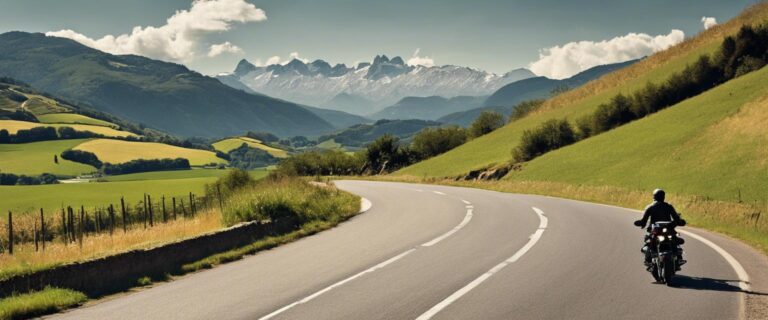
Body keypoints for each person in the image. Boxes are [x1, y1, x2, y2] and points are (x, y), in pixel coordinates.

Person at [634, 189, 687, 270]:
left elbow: (643, 220)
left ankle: (677, 258)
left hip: (661, 230)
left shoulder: (651, 207)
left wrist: (641, 223)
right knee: (650, 242)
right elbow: (676, 219)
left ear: (654, 197)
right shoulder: (668, 206)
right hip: (664, 230)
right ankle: (677, 258)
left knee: (674, 240)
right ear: (663, 197)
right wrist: (680, 222)